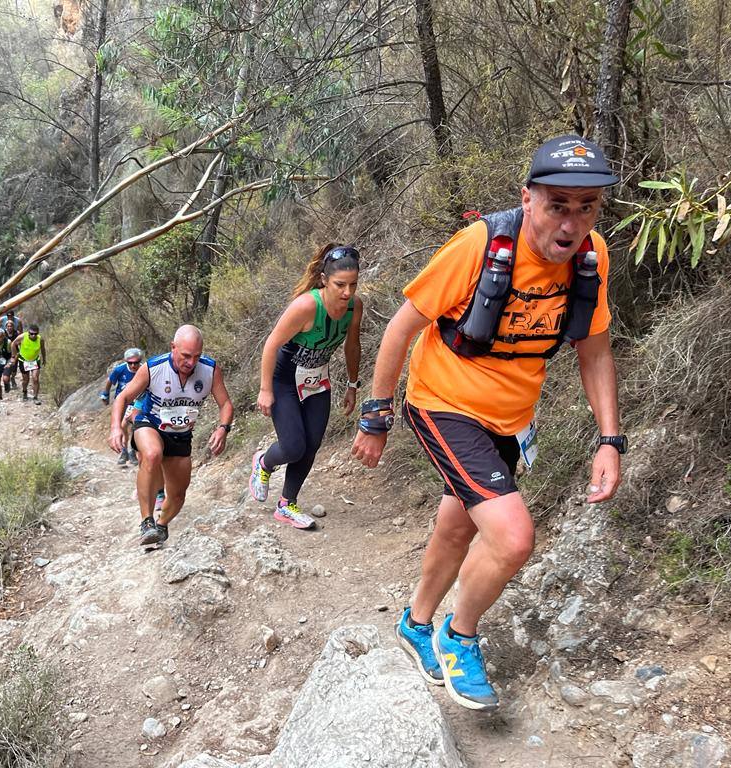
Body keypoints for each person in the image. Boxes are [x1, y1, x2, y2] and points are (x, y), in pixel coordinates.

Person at [351, 135, 624, 711]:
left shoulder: (592, 258)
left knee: (459, 525)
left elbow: (594, 350)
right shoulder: (478, 246)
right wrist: (375, 417)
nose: (572, 224)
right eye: (557, 205)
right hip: (443, 401)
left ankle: (416, 625)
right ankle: (460, 635)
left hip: (509, 418)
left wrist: (609, 439)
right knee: (513, 535)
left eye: (587, 207)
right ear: (528, 199)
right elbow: (400, 328)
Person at [248, 244, 364, 529]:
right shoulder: (307, 306)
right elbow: (272, 343)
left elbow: (352, 346)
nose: (347, 292)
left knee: (311, 444)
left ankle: (287, 504)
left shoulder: (354, 306)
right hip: (285, 378)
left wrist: (352, 384)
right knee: (293, 446)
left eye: (353, 284)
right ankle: (264, 462)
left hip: (317, 379)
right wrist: (265, 389)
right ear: (324, 280)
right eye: (340, 285)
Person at [109, 325, 233, 548]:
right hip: (150, 423)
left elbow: (225, 403)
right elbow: (123, 397)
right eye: (186, 355)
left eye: (197, 356)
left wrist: (222, 428)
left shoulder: (210, 370)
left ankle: (161, 525)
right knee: (152, 454)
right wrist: (116, 428)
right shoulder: (153, 368)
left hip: (181, 435)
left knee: (177, 496)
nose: (191, 362)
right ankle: (146, 522)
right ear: (173, 348)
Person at [100, 348, 145, 465]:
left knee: (131, 425)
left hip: (137, 402)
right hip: (121, 402)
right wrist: (105, 394)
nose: (134, 365)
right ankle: (125, 451)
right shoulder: (120, 370)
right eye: (130, 363)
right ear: (126, 361)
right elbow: (110, 381)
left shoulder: (144, 369)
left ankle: (131, 451)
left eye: (136, 362)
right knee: (122, 427)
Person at [10, 323, 46, 404]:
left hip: (35, 361)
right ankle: (25, 391)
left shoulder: (40, 339)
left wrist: (44, 359)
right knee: (26, 380)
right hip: (24, 361)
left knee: (35, 379)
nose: (33, 335)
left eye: (35, 334)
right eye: (31, 334)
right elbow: (13, 344)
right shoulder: (23, 337)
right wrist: (14, 355)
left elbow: (43, 349)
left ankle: (35, 397)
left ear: (38, 333)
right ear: (28, 332)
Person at [3, 319, 21, 392]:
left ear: (13, 327)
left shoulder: (17, 333)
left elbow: (20, 343)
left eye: (11, 326)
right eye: (8, 326)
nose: (9, 327)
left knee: (14, 368)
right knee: (7, 367)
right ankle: (6, 380)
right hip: (7, 353)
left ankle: (12, 378)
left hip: (15, 353)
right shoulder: (3, 333)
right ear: (6, 327)